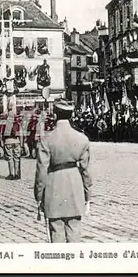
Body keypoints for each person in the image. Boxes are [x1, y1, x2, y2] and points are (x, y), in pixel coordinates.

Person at [34, 99, 92, 243]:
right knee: (74, 229)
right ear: (71, 115)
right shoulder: (82, 139)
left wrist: (39, 196)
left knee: (56, 229)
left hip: (54, 185)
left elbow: (41, 171)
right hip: (74, 184)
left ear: (55, 115)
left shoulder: (47, 139)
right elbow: (86, 171)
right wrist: (87, 196)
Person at [2, 111, 23, 180]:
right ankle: (16, 174)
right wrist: (21, 144)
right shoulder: (18, 124)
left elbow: (2, 134)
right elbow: (20, 135)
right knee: (16, 158)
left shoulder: (5, 124)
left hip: (8, 142)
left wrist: (2, 142)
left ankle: (11, 174)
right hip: (16, 141)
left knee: (10, 158)